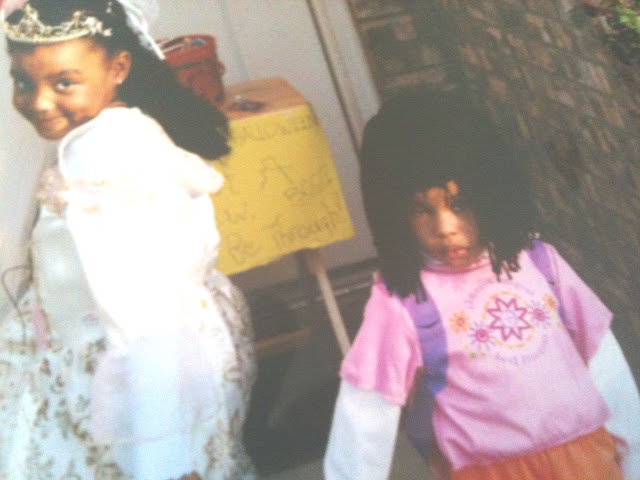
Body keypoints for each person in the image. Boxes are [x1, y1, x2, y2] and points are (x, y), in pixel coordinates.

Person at [323, 90, 640, 479]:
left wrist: (634, 456)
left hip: (586, 461)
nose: (445, 227)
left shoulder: (540, 264)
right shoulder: (403, 301)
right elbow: (365, 412)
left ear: (490, 192)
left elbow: (604, 363)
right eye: (421, 210)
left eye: (459, 204)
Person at [0, 1, 257, 479]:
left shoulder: (105, 158)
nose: (39, 103)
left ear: (119, 68)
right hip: (121, 343)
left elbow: (147, 314)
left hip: (138, 369)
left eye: (63, 83)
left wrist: (165, 459)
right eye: (23, 82)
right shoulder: (112, 132)